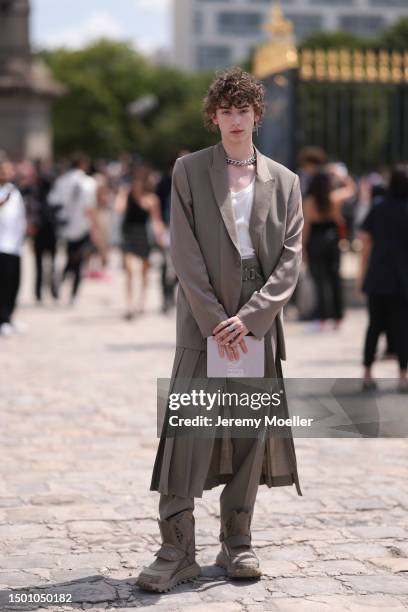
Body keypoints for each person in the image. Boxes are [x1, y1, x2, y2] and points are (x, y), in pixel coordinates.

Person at [136, 68, 304, 593]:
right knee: (188, 428)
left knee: (249, 432)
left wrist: (251, 320)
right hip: (204, 320)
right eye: (226, 110)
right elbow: (183, 252)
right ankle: (175, 548)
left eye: (244, 109)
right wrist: (215, 322)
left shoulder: (287, 181)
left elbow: (290, 259)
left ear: (257, 114)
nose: (235, 119)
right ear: (214, 117)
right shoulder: (188, 170)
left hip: (257, 321)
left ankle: (238, 541)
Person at [358, 164, 408, 393]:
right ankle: (402, 376)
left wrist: (361, 277)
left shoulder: (378, 208)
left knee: (374, 326)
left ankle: (367, 374)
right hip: (402, 278)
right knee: (402, 327)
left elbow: (365, 245)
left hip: (377, 275)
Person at [303, 168, 356, 329]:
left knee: (320, 281)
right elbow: (351, 189)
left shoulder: (309, 201)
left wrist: (303, 247)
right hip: (332, 240)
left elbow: (306, 227)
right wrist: (342, 175)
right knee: (335, 279)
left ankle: (323, 317)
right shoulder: (334, 197)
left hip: (315, 241)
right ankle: (338, 317)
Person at [115, 165, 165, 319]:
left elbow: (156, 220)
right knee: (129, 269)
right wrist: (122, 194)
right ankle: (129, 304)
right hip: (128, 234)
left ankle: (141, 301)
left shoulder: (151, 199)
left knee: (144, 270)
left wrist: (160, 235)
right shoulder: (126, 194)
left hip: (143, 236)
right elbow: (119, 209)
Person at [48, 154, 98, 304]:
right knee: (78, 261)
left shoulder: (62, 181)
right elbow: (90, 208)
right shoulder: (89, 183)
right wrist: (96, 227)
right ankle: (73, 294)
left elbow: (52, 201)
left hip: (66, 227)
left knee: (72, 257)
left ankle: (61, 278)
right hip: (82, 226)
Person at [0, 153, 27, 336]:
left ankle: (8, 317)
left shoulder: (14, 191)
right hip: (0, 245)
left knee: (13, 284)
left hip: (14, 246)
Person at [29, 160, 59, 302]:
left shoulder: (38, 200)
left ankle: (42, 291)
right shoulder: (49, 200)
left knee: (42, 265)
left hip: (45, 234)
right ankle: (47, 291)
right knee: (49, 265)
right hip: (47, 234)